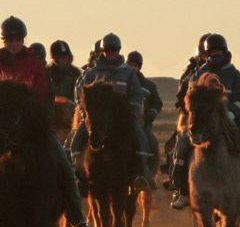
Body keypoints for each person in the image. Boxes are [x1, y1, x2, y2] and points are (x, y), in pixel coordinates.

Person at [0, 16, 93, 227]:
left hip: (33, 131)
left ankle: (78, 218)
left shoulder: (34, 66)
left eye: (18, 39)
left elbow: (45, 96)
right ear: (3, 41)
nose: (14, 43)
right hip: (2, 132)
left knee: (64, 165)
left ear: (23, 40)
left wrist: (41, 125)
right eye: (10, 39)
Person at [172, 33, 240, 209]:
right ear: (206, 54)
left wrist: (233, 113)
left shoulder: (234, 74)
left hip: (229, 121)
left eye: (218, 51)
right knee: (182, 146)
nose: (215, 55)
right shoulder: (199, 73)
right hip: (204, 121)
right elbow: (189, 97)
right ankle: (182, 191)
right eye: (211, 52)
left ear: (225, 52)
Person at [70, 33, 151, 192]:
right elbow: (80, 93)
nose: (111, 53)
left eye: (114, 50)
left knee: (140, 136)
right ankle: (77, 175)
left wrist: (132, 111)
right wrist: (85, 110)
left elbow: (136, 94)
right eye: (108, 50)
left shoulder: (127, 73)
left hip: (121, 120)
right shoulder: (92, 73)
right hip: (95, 119)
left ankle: (140, 174)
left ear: (119, 50)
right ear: (102, 51)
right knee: (75, 141)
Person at [168, 34, 210, 208]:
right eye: (206, 52)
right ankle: (181, 190)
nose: (207, 56)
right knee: (180, 147)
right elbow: (180, 95)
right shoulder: (191, 73)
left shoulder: (225, 70)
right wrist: (188, 109)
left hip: (217, 119)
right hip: (193, 119)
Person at [126, 50, 163, 188]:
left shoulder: (149, 85)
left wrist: (150, 115)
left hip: (142, 123)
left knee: (151, 142)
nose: (132, 67)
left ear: (139, 67)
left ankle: (148, 175)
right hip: (122, 123)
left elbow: (157, 103)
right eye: (130, 64)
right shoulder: (123, 83)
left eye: (135, 65)